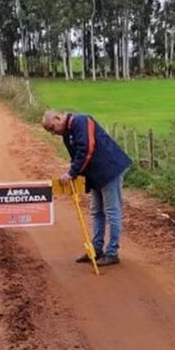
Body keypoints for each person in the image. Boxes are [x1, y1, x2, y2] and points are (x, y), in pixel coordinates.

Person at [42, 110, 132, 266]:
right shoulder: (66, 133)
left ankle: (112, 252)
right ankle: (96, 249)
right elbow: (75, 156)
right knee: (97, 211)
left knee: (112, 211)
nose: (52, 133)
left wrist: (72, 173)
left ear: (58, 118)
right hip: (95, 174)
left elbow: (87, 149)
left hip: (109, 169)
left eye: (52, 128)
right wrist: (75, 174)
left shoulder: (81, 121)